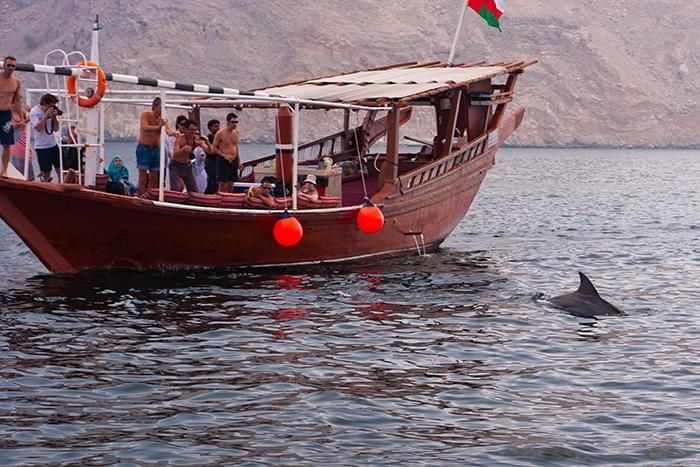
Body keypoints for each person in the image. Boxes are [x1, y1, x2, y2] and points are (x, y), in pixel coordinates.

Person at [136, 97, 166, 195]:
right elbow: (145, 126)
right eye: (161, 108)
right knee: (143, 178)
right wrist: (158, 127)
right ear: (155, 107)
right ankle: (141, 196)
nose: (162, 110)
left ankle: (151, 196)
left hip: (156, 149)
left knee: (154, 178)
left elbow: (168, 129)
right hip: (144, 149)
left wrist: (174, 133)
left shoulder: (163, 119)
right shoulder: (145, 115)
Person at [170, 119, 208, 193]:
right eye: (191, 130)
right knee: (176, 188)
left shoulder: (196, 139)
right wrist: (183, 150)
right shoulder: (180, 139)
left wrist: (207, 142)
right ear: (186, 130)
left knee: (194, 189)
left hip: (187, 165)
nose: (193, 132)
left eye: (195, 130)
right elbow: (175, 153)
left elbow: (210, 151)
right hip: (176, 165)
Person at [30, 93, 61, 182]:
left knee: (60, 170)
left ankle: (60, 187)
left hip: (53, 145)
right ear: (44, 104)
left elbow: (56, 129)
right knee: (46, 173)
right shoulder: (34, 112)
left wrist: (54, 117)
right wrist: (46, 115)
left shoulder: (50, 112)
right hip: (42, 147)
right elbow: (38, 128)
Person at [1, 56, 22, 177]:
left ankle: (4, 170)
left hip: (6, 114)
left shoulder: (16, 82)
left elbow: (17, 100)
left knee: (7, 143)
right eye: (8, 65)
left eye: (13, 66)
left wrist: (21, 117)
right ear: (4, 65)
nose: (10, 68)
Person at [212, 112, 240, 193]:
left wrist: (238, 161)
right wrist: (224, 156)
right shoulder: (220, 133)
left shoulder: (236, 133)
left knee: (231, 183)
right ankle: (220, 199)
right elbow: (214, 148)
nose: (235, 124)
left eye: (236, 122)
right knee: (222, 183)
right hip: (223, 160)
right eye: (233, 122)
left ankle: (229, 198)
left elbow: (236, 147)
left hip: (233, 160)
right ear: (228, 122)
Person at [9, 105, 33, 181]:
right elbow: (12, 126)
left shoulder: (23, 118)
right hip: (17, 147)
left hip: (25, 147)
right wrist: (24, 121)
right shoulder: (10, 116)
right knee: (18, 171)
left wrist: (29, 112)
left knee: (28, 173)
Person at [205, 118, 220, 194]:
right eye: (215, 126)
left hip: (218, 162)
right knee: (213, 181)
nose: (218, 128)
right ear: (210, 128)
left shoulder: (220, 138)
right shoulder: (208, 138)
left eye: (218, 126)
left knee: (214, 182)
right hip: (211, 163)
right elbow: (211, 150)